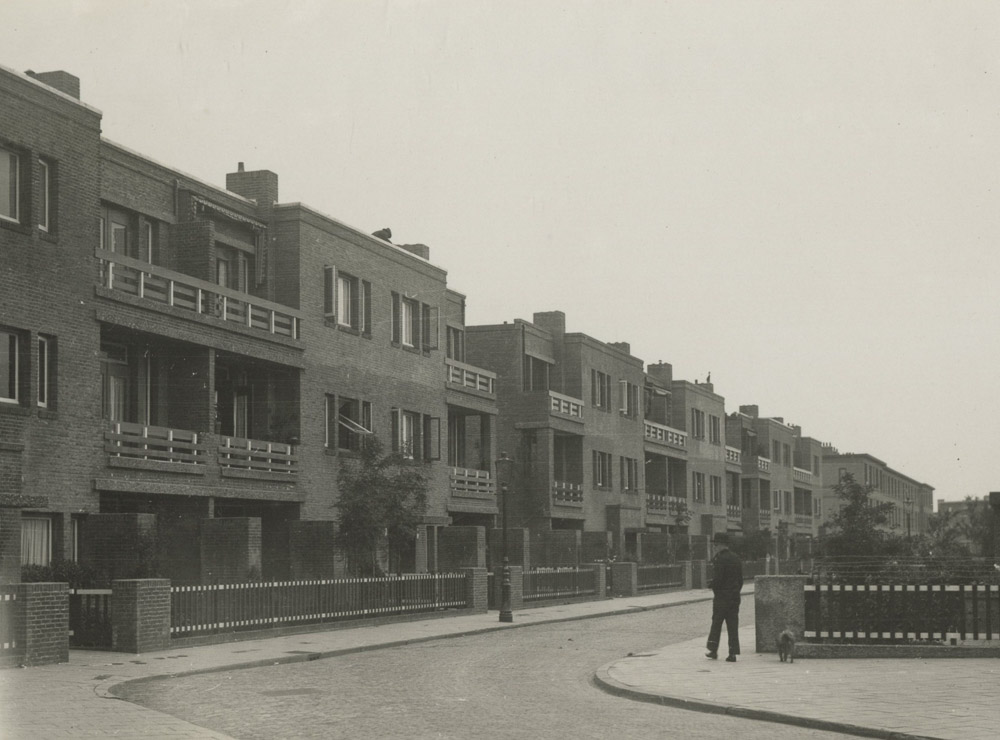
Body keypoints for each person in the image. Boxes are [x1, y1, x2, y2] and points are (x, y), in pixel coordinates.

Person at [705, 532, 743, 662]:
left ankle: (713, 650)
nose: (715, 547)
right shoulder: (736, 558)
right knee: (733, 625)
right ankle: (733, 653)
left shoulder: (719, 559)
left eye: (715, 544)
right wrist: (735, 592)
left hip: (721, 597)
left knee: (716, 623)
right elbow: (740, 580)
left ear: (720, 545)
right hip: (734, 597)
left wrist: (712, 585)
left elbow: (718, 578)